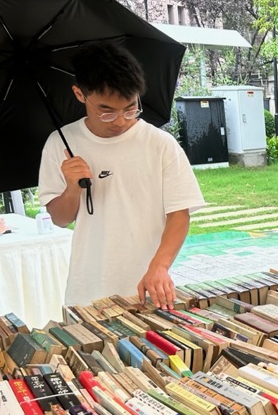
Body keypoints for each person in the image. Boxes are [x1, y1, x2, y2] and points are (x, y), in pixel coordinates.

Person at [38, 42, 204, 309]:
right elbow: (60, 219)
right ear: (80, 94)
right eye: (106, 111)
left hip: (148, 289)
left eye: (129, 108)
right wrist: (71, 188)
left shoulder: (160, 144)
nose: (119, 121)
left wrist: (159, 266)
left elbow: (179, 214)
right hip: (86, 291)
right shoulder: (60, 143)